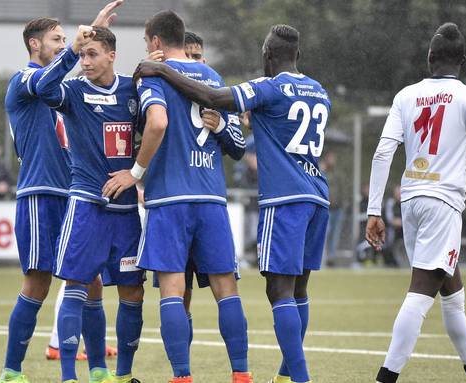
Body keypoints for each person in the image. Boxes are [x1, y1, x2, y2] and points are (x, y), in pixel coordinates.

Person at [133, 23, 331, 383]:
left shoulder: (262, 87)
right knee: (278, 289)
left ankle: (191, 377)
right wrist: (225, 126)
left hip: (257, 197)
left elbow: (205, 107)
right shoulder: (320, 91)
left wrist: (161, 69)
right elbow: (241, 137)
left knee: (267, 290)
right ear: (298, 55)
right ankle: (268, 375)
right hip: (310, 193)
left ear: (267, 54)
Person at [364, 23, 466, 383]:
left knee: (452, 292)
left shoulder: (405, 96)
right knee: (421, 291)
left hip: (411, 201)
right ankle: (384, 379)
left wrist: (374, 210)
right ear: (463, 61)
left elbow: (382, 152)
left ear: (429, 58)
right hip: (443, 204)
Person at [104, 11, 251, 383]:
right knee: (226, 290)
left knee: (172, 289)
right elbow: (235, 139)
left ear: (155, 42)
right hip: (212, 197)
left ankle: (182, 377)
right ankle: (241, 375)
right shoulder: (213, 76)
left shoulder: (154, 75)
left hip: (170, 198)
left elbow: (157, 122)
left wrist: (135, 172)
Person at [0, 3, 120, 382]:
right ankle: (12, 371)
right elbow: (46, 82)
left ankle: (98, 368)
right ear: (35, 44)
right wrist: (75, 49)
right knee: (38, 280)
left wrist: (94, 37)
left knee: (91, 280)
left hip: (74, 193)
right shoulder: (23, 79)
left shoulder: (65, 85)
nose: (65, 44)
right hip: (40, 192)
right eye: (57, 39)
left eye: (65, 39)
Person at [36, 20, 145, 383]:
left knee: (132, 290)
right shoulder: (73, 92)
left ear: (112, 56)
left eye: (92, 54)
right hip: (86, 206)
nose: (85, 61)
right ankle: (71, 375)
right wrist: (71, 49)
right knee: (77, 283)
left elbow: (160, 125)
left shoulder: (134, 90)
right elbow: (42, 85)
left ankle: (120, 374)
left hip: (127, 210)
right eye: (82, 55)